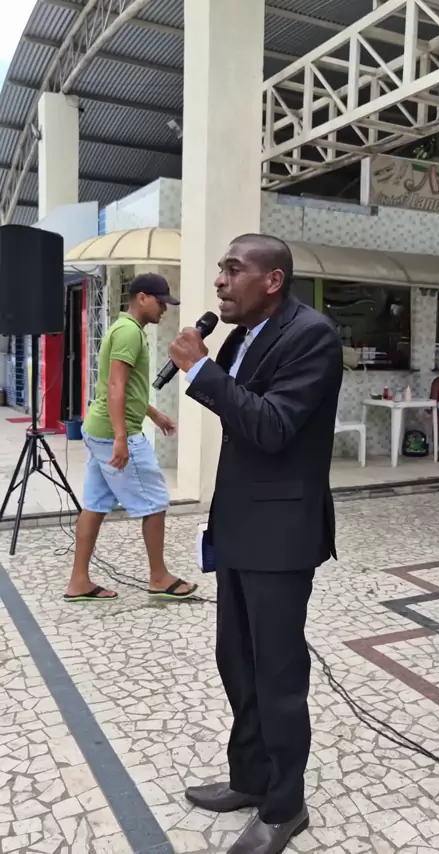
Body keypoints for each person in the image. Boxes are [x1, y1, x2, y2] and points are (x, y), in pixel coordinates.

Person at [170, 234, 342, 854]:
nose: (220, 280)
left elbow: (271, 427)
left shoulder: (312, 336)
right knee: (236, 662)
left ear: (272, 280)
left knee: (277, 676)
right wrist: (212, 369)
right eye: (221, 269)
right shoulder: (241, 335)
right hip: (239, 526)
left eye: (233, 269)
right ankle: (249, 777)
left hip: (282, 536)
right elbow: (241, 422)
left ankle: (284, 806)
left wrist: (201, 371)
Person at [64, 273, 197, 603]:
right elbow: (116, 386)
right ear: (141, 298)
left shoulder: (125, 329)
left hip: (99, 429)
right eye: (161, 302)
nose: (164, 309)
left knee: (95, 505)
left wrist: (154, 414)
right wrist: (122, 437)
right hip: (113, 432)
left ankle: (78, 581)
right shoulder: (128, 333)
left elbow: (126, 386)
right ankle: (159, 578)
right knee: (155, 502)